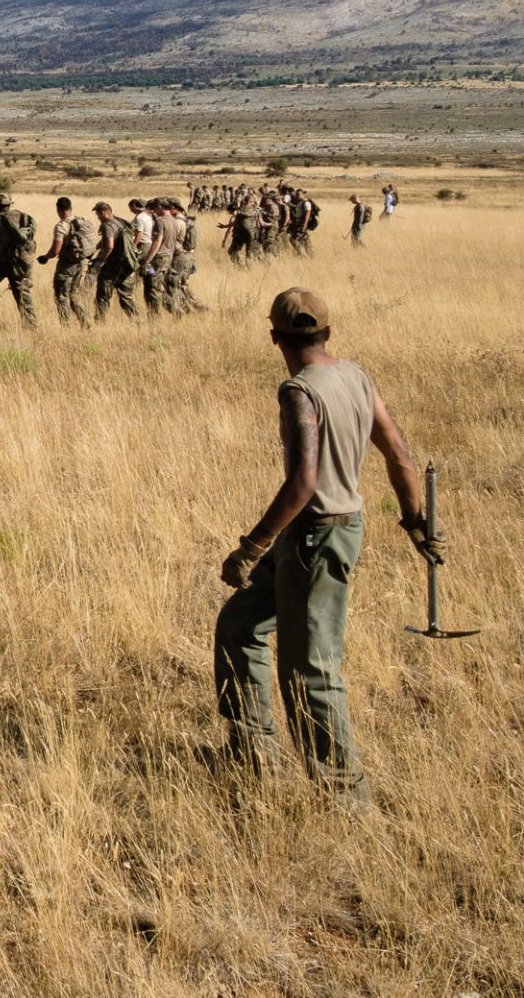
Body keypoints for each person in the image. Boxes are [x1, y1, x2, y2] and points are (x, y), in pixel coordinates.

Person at [213, 288, 444, 806]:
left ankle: (346, 799)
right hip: (319, 533)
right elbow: (399, 452)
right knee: (240, 624)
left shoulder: (299, 391)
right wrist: (414, 521)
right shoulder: (354, 375)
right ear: (329, 333)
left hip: (317, 535)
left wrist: (252, 547)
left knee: (311, 670)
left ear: (274, 337)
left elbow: (303, 482)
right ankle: (253, 757)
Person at [0, 193, 37, 329]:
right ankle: (31, 325)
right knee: (22, 292)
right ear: (9, 205)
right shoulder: (20, 218)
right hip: (19, 262)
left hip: (2, 261)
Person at [37, 196, 92, 329]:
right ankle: (85, 321)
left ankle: (66, 326)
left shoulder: (62, 226)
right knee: (74, 294)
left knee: (62, 295)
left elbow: (56, 250)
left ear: (58, 209)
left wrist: (45, 257)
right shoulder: (83, 222)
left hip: (67, 265)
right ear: (70, 208)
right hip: (82, 263)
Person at [91, 202, 140, 321]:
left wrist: (100, 261)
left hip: (113, 266)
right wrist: (94, 249)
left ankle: (100, 322)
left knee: (103, 295)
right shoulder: (120, 222)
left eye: (98, 215)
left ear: (104, 212)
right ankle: (137, 321)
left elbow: (109, 246)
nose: (98, 217)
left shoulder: (107, 225)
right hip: (126, 265)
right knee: (126, 296)